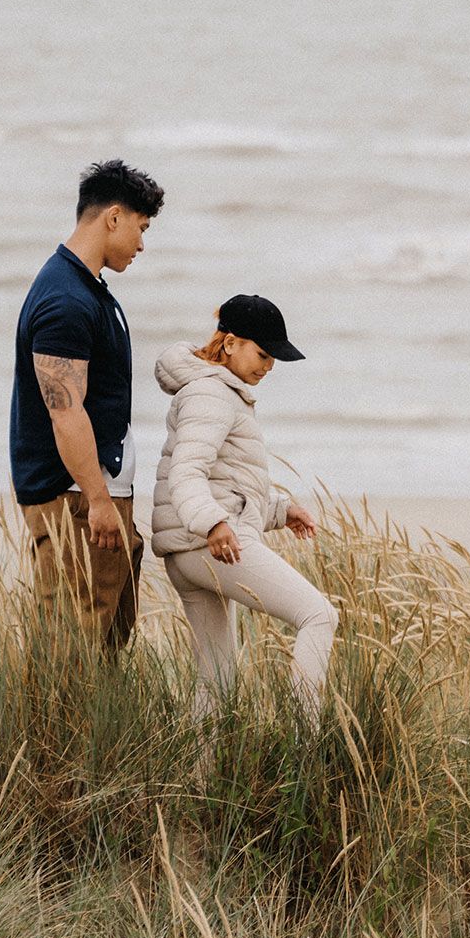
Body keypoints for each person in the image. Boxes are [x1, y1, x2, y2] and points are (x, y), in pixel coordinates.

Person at [150, 294, 336, 717]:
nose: (268, 367)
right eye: (263, 354)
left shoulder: (217, 391)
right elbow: (187, 473)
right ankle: (304, 750)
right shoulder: (213, 394)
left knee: (216, 682)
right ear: (230, 343)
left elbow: (227, 482)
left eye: (274, 360)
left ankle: (196, 781)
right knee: (318, 616)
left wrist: (279, 510)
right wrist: (213, 524)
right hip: (208, 544)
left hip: (192, 548)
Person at [10, 158, 164, 649]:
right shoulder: (65, 300)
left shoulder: (88, 290)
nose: (142, 244)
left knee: (107, 641)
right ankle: (53, 731)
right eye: (140, 228)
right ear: (112, 217)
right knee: (72, 648)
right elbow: (64, 409)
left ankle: (97, 729)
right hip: (74, 499)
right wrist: (97, 499)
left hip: (96, 496)